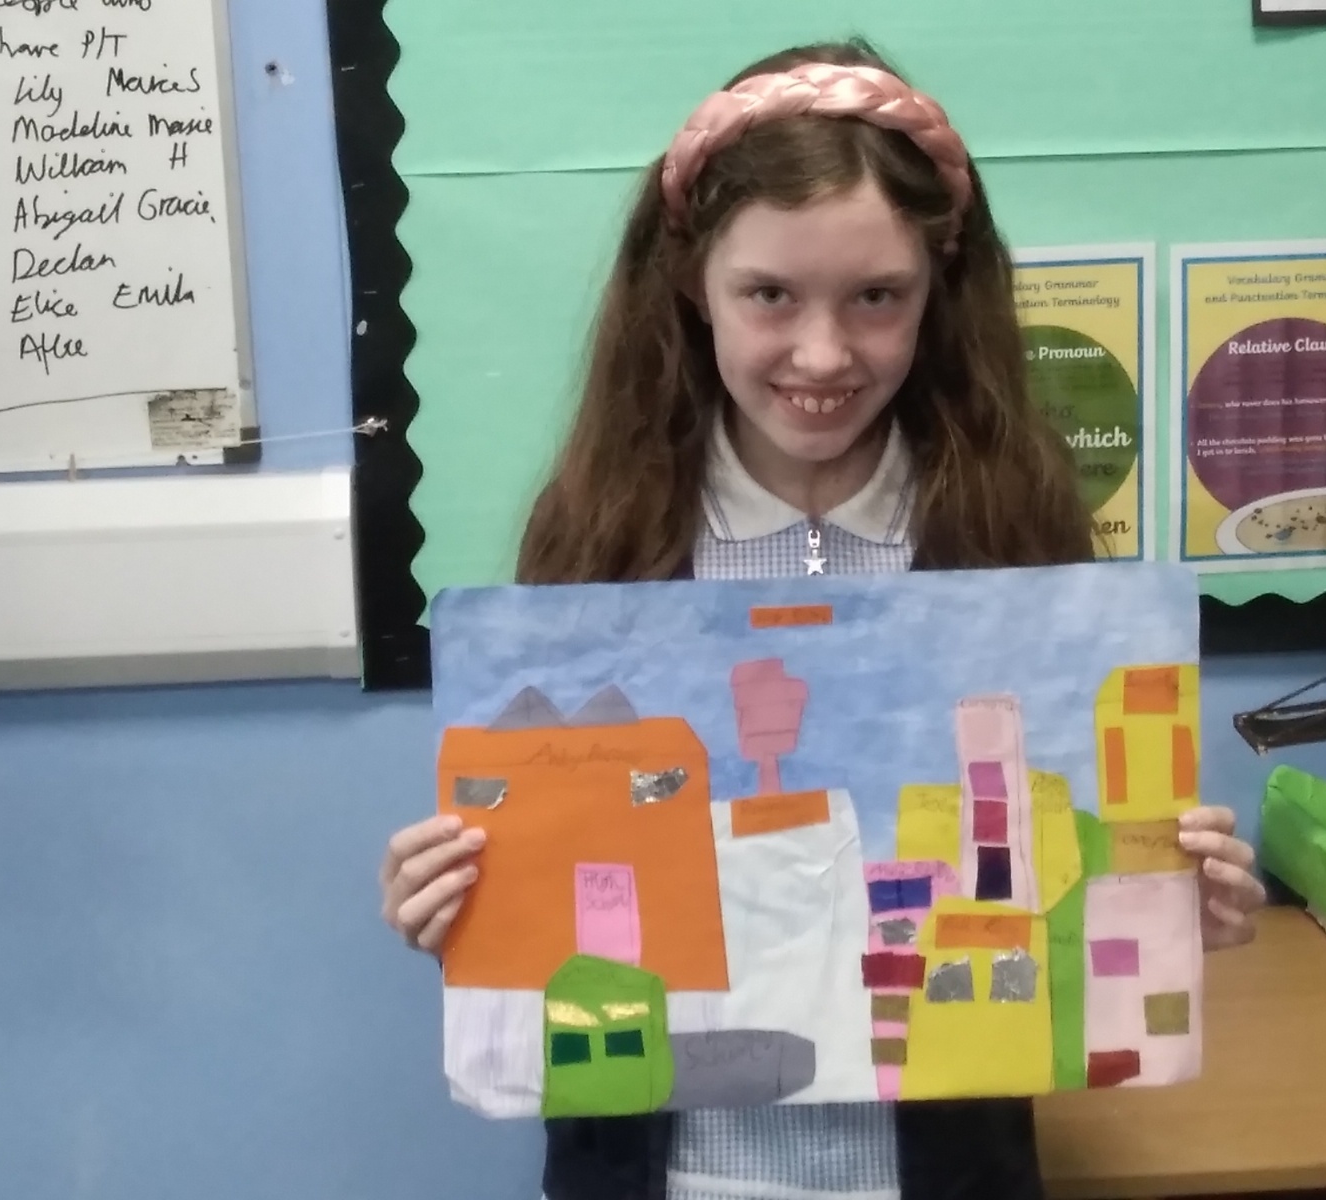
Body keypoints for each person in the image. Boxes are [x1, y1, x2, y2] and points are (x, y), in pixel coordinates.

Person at [380, 37, 1267, 1200]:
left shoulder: (1005, 538)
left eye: (876, 298)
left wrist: (1171, 899)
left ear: (936, 290)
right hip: (660, 1173)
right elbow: (570, 888)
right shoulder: (606, 538)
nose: (821, 352)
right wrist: (464, 899)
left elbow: (1048, 897)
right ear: (690, 285)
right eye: (768, 295)